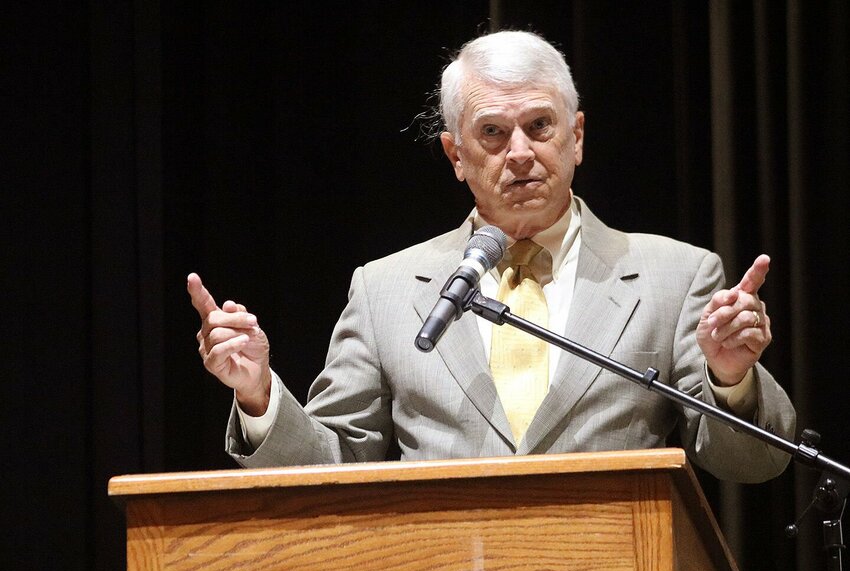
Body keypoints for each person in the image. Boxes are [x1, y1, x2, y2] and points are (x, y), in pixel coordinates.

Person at [188, 30, 795, 481]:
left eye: (540, 125)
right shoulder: (386, 290)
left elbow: (755, 463)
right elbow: (333, 470)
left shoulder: (675, 276)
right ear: (456, 155)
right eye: (494, 134)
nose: (522, 152)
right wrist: (260, 395)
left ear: (577, 137)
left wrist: (732, 378)